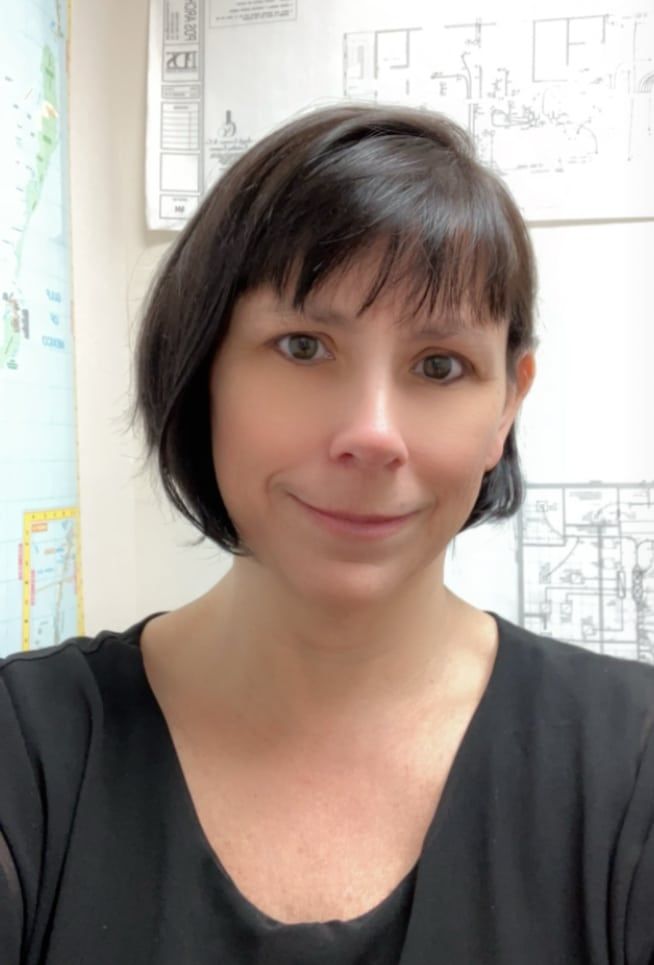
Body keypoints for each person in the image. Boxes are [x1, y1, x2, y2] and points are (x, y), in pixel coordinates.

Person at [1, 104, 653, 965]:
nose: (372, 432)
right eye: (304, 346)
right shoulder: (28, 753)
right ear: (204, 373)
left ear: (509, 403)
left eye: (439, 365)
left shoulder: (633, 757)